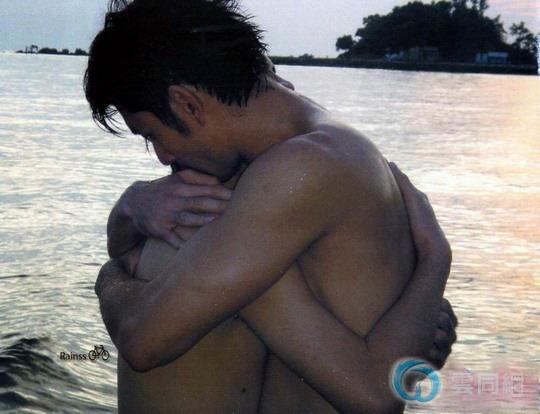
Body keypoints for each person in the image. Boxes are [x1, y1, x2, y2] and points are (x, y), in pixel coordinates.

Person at [87, 1, 457, 412]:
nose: (162, 157)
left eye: (151, 134)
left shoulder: (301, 168)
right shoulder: (321, 146)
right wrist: (131, 206)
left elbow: (142, 342)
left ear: (187, 104)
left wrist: (108, 277)